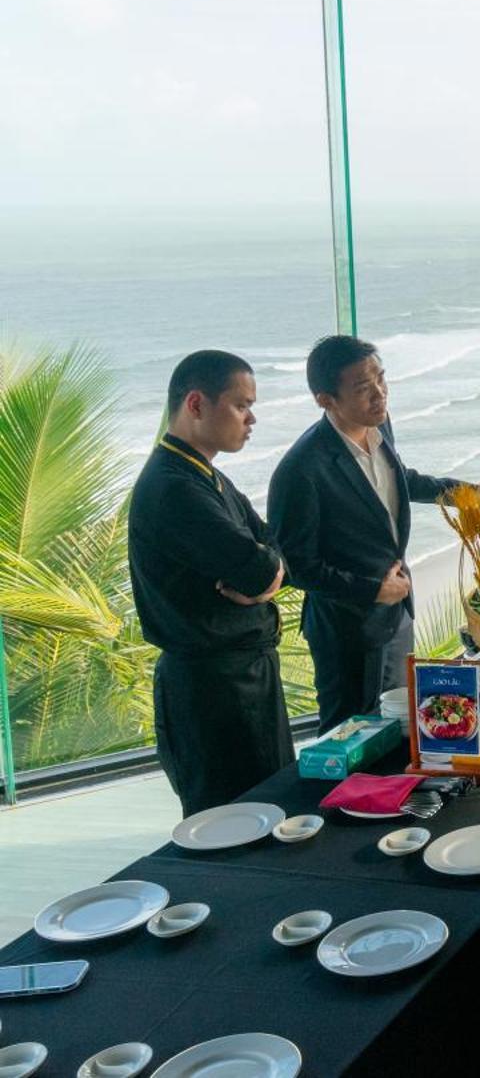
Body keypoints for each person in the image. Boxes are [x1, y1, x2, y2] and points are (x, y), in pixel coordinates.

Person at [128, 350, 293, 817]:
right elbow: (261, 567)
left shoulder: (205, 475)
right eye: (241, 405)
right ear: (197, 404)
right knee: (230, 825)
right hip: (210, 693)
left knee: (270, 811)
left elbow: (275, 551)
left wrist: (266, 573)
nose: (252, 418)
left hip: (244, 679)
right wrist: (265, 574)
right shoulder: (173, 487)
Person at [269, 335, 462, 730]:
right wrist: (372, 589)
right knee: (348, 734)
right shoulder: (301, 470)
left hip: (397, 614)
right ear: (326, 399)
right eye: (362, 388)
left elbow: (397, 480)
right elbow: (297, 567)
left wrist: (463, 493)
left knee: (396, 727)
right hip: (347, 631)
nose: (379, 394)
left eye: (381, 379)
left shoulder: (378, 426)